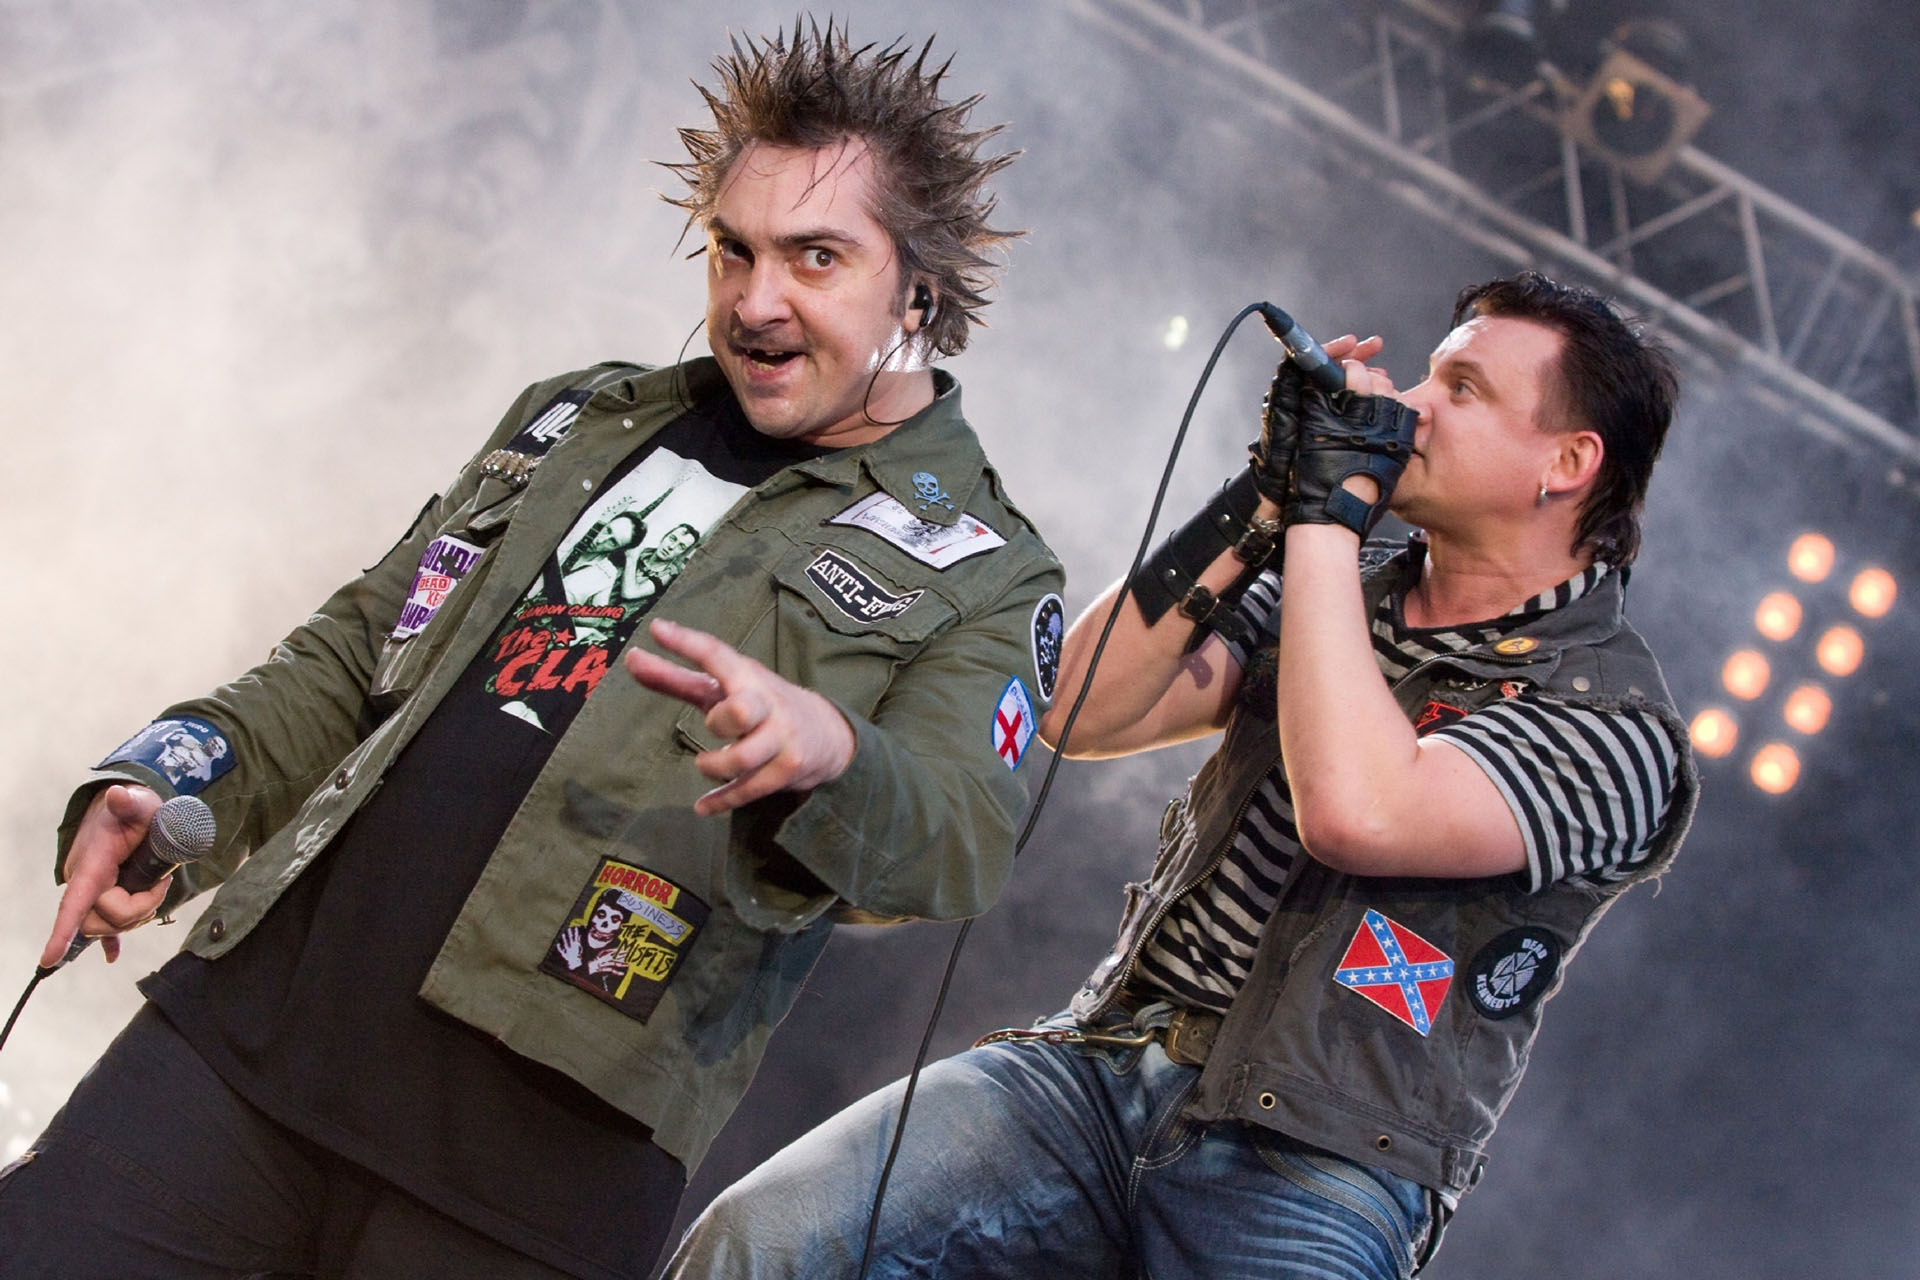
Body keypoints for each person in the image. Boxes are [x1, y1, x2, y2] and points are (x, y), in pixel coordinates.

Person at [2, 21, 1061, 1280]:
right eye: (733, 248)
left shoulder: (987, 567)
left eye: (815, 257)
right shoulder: (581, 415)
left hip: (531, 1166)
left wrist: (835, 756)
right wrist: (187, 772)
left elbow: (956, 841)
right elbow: (363, 646)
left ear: (918, 291)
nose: (754, 301)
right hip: (251, 1039)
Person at [663, 272, 1699, 1279]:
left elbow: (1362, 810)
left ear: (1568, 460)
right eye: (1428, 373)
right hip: (1099, 1064)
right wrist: (1265, 493)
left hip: (1324, 1156)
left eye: (1462, 390)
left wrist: (1325, 519)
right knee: (766, 1241)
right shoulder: (1333, 582)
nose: (1415, 405)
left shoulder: (1613, 723)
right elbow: (1077, 705)